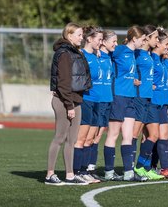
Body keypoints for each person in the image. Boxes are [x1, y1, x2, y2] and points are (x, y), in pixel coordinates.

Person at [45, 23, 91, 185]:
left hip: (75, 100)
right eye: (79, 35)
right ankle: (50, 175)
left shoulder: (74, 51)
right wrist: (69, 106)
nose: (82, 37)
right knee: (59, 137)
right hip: (64, 101)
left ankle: (70, 175)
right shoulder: (64, 53)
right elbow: (63, 83)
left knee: (71, 140)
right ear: (69, 36)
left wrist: (74, 103)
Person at [103, 26, 147, 181]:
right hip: (118, 97)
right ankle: (108, 171)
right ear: (134, 39)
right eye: (142, 39)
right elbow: (103, 52)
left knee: (128, 136)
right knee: (113, 134)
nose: (144, 42)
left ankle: (128, 172)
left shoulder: (135, 54)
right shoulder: (120, 50)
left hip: (130, 98)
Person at [132, 25, 165, 180]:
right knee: (134, 135)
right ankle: (131, 168)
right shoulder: (137, 53)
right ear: (147, 37)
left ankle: (142, 167)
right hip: (139, 98)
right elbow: (123, 67)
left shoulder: (149, 55)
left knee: (153, 135)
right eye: (156, 37)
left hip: (149, 98)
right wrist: (132, 80)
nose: (158, 41)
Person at [73, 26, 103, 184]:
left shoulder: (97, 55)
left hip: (97, 100)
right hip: (86, 100)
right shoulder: (81, 55)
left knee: (90, 139)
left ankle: (84, 171)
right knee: (81, 139)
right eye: (99, 38)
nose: (101, 42)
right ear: (89, 39)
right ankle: (76, 172)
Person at [87, 30, 118, 179]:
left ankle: (91, 169)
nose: (116, 44)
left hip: (107, 100)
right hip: (97, 100)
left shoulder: (110, 57)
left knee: (98, 137)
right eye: (113, 41)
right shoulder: (95, 55)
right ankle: (86, 169)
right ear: (103, 42)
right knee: (91, 136)